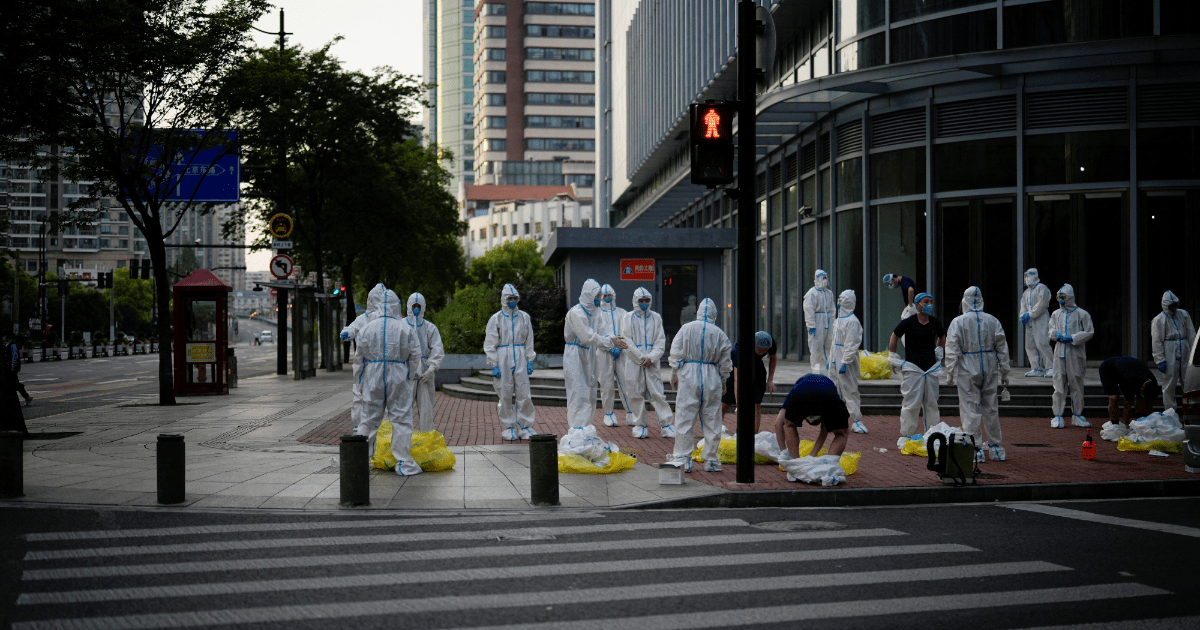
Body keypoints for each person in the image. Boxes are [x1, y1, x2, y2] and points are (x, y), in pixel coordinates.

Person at [355, 287, 423, 476]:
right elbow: (415, 354)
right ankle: (403, 463)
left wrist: (360, 380)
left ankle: (359, 460)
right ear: (397, 306)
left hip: (373, 374)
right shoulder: (405, 327)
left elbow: (358, 358)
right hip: (398, 373)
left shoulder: (367, 328)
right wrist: (409, 374)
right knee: (401, 419)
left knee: (368, 419)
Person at [944, 287, 1011, 462]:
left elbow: (952, 348)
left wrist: (950, 372)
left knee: (969, 409)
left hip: (968, 366)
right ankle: (996, 447)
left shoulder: (958, 322)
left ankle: (975, 448)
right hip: (989, 366)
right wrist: (1005, 372)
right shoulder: (992, 320)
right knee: (991, 408)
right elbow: (1002, 348)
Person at [668, 297, 733, 472]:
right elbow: (726, 361)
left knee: (684, 416)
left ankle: (683, 458)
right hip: (711, 374)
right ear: (714, 314)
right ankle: (711, 459)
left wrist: (675, 372)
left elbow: (676, 350)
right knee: (712, 418)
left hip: (689, 373)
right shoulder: (719, 333)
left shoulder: (686, 328)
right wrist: (723, 379)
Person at [563, 279, 625, 429]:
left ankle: (586, 427)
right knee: (578, 392)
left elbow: (603, 330)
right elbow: (587, 336)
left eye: (599, 297)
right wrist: (610, 342)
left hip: (589, 352)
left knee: (591, 391)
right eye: (596, 297)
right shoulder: (576, 313)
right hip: (575, 353)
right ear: (588, 296)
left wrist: (613, 339)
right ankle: (577, 429)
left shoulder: (595, 313)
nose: (599, 300)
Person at [888, 292, 946, 439]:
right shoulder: (909, 322)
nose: (929, 305)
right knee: (911, 404)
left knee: (931, 404)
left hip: (930, 369)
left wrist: (939, 351)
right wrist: (893, 357)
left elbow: (942, 336)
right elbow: (894, 336)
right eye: (926, 302)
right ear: (918, 305)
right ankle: (907, 435)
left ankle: (933, 436)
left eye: (931, 302)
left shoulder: (935, 322)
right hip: (913, 369)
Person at [484, 284, 538, 440]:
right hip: (503, 356)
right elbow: (490, 343)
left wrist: (529, 359)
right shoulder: (496, 318)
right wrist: (493, 364)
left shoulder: (524, 317)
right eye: (510, 298)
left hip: (520, 354)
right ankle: (508, 427)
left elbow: (529, 340)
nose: (513, 301)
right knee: (505, 393)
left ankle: (525, 426)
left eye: (515, 298)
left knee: (524, 392)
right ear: (504, 299)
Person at [621, 287, 676, 438]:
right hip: (633, 361)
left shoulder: (656, 317)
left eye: (647, 301)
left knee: (657, 393)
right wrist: (640, 358)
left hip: (652, 362)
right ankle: (640, 424)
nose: (644, 303)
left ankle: (666, 425)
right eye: (641, 301)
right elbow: (627, 340)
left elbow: (660, 341)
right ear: (635, 301)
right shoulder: (628, 317)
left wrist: (651, 357)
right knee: (634, 392)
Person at [341, 284, 387, 438]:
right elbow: (353, 328)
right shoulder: (364, 319)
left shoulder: (388, 319)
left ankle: (382, 429)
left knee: (382, 397)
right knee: (361, 395)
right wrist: (347, 332)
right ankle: (360, 427)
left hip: (382, 364)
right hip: (366, 365)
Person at [1049, 284, 1095, 429]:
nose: (1061, 300)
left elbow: (1089, 332)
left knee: (1076, 383)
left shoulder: (1082, 314)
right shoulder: (1056, 314)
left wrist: (1073, 337)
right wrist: (1055, 334)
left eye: (1063, 297)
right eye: (1059, 297)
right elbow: (1051, 329)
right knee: (1058, 384)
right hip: (1059, 352)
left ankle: (1077, 415)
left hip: (1075, 353)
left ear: (1070, 297)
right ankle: (1057, 415)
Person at [774, 374, 851, 460]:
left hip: (804, 390)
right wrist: (811, 456)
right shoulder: (827, 409)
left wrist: (784, 453)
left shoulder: (794, 394)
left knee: (789, 425)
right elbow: (823, 434)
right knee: (841, 433)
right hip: (826, 392)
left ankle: (794, 463)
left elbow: (778, 423)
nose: (811, 421)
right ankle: (829, 465)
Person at [403, 292, 445, 433]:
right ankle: (403, 439)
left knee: (426, 407)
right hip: (406, 371)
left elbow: (437, 349)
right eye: (414, 306)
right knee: (403, 407)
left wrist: (431, 369)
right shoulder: (401, 325)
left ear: (423, 307)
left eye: (418, 306)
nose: (416, 309)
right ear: (409, 306)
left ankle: (425, 437)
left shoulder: (430, 328)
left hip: (425, 373)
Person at [721, 331, 777, 432]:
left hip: (757, 367)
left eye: (765, 350)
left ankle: (754, 436)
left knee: (756, 405)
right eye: (759, 349)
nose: (762, 352)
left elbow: (773, 358)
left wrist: (770, 380)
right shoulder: (741, 348)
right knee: (725, 403)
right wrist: (739, 404)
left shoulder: (771, 342)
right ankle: (715, 432)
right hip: (736, 368)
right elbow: (737, 379)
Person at [1151, 290, 1195, 411]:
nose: (1174, 308)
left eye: (1175, 304)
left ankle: (1191, 408)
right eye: (1171, 305)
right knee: (1170, 382)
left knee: (1188, 380)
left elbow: (1191, 334)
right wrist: (1160, 359)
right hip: (1169, 349)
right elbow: (1157, 341)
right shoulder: (1159, 319)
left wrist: (1195, 351)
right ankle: (1170, 411)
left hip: (1184, 346)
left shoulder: (1183, 314)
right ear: (1165, 305)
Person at [829, 290, 865, 434]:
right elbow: (833, 342)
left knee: (850, 390)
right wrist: (831, 360)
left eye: (841, 299)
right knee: (833, 389)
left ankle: (856, 420)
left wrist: (845, 361)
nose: (839, 302)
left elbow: (851, 344)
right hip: (835, 357)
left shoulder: (853, 321)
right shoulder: (838, 320)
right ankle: (835, 418)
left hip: (846, 360)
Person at [594, 284, 629, 427]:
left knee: (626, 383)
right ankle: (608, 413)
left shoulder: (622, 313)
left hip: (622, 352)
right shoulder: (596, 314)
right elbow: (595, 335)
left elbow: (627, 332)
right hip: (603, 353)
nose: (608, 299)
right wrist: (609, 347)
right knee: (606, 384)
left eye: (610, 296)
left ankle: (631, 412)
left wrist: (620, 347)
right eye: (605, 296)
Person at [1099, 356, 1157, 435]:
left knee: (1141, 399)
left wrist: (1147, 422)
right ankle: (1115, 424)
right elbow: (1127, 404)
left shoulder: (1153, 382)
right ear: (1143, 387)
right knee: (1114, 398)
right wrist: (1126, 427)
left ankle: (1139, 419)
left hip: (1128, 369)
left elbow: (1150, 404)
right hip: (1108, 370)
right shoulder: (1129, 381)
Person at [1019, 268, 1054, 378]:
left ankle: (1051, 367)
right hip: (1030, 321)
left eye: (1029, 276)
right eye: (1026, 277)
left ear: (1035, 275)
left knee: (1042, 342)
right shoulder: (1026, 292)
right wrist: (1022, 315)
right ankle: (1036, 368)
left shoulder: (1041, 288)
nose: (1027, 279)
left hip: (1041, 319)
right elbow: (1023, 305)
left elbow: (1042, 304)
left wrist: (1030, 314)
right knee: (1030, 344)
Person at [803, 269, 835, 374]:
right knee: (816, 345)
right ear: (817, 279)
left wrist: (833, 322)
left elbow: (832, 309)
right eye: (822, 278)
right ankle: (816, 369)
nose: (825, 280)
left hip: (827, 322)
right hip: (817, 322)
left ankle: (828, 367)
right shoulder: (812, 293)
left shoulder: (829, 293)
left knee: (829, 343)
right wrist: (811, 324)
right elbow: (808, 309)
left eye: (825, 278)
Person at [6, 334, 32, 406]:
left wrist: (13, 366)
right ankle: (26, 397)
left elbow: (15, 356)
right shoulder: (7, 344)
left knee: (14, 384)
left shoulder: (12, 344)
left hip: (12, 368)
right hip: (8, 368)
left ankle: (26, 397)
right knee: (13, 383)